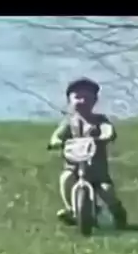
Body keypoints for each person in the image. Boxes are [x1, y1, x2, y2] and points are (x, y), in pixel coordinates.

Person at [47, 77, 128, 229]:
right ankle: (72, 209)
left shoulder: (99, 120)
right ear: (70, 101)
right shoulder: (69, 122)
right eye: (78, 97)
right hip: (73, 166)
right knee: (66, 179)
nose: (82, 101)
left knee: (106, 191)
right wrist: (56, 141)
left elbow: (107, 130)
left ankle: (117, 212)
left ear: (94, 101)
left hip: (97, 170)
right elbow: (57, 135)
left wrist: (106, 136)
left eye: (87, 98)